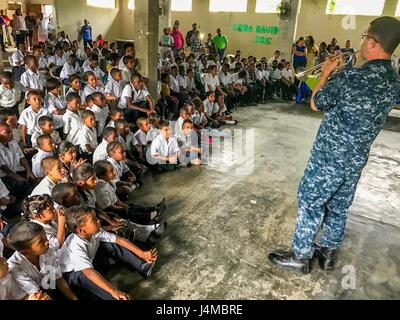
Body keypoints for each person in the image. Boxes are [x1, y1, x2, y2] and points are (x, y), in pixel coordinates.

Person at [268, 16, 400, 274]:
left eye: (365, 36)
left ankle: (300, 255)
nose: (362, 41)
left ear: (373, 42)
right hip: (356, 158)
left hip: (330, 156)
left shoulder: (351, 77)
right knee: (339, 205)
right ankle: (327, 254)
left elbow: (317, 102)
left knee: (309, 200)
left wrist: (326, 73)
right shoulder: (393, 81)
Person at [59, 205, 157, 300]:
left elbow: (119, 240)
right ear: (81, 230)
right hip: (73, 275)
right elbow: (89, 272)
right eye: (94, 220)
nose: (99, 220)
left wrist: (142, 254)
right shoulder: (75, 246)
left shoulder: (94, 232)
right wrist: (113, 291)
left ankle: (142, 267)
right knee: (87, 278)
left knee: (110, 243)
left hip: (89, 263)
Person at [7, 221, 78, 299]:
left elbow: (57, 278)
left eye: (45, 236)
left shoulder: (46, 250)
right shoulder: (15, 267)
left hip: (47, 286)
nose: (47, 242)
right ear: (25, 252)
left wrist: (74, 298)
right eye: (41, 241)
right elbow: (37, 295)